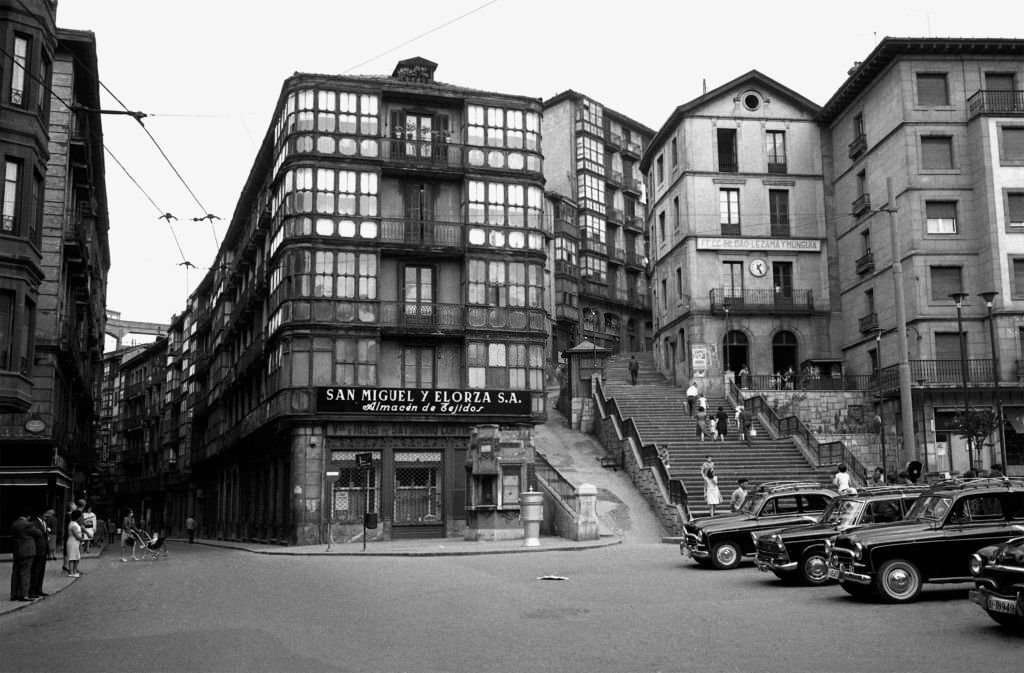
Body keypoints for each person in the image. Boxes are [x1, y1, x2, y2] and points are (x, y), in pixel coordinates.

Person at [9, 510, 38, 602]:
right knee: (25, 573)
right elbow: (38, 533)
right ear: (28, 516)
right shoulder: (28, 524)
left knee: (16, 573)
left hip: (17, 550)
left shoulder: (15, 523)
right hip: (27, 551)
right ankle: (24, 594)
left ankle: (14, 593)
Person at [29, 511, 51, 599]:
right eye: (46, 514)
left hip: (43, 550)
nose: (48, 516)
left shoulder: (44, 523)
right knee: (36, 571)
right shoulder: (34, 523)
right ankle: (32, 591)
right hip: (38, 550)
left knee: (41, 571)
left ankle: (39, 589)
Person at [65, 510, 85, 578]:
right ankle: (71, 572)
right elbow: (76, 535)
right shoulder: (73, 524)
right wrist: (82, 539)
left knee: (77, 557)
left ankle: (74, 571)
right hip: (72, 542)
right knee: (72, 557)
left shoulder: (75, 523)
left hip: (76, 542)